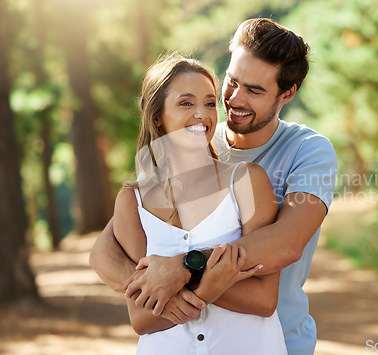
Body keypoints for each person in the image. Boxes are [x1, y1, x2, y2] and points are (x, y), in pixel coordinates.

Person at [90, 18, 337, 355]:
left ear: (287, 93)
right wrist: (146, 285)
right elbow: (106, 247)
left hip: (278, 338)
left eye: (255, 90)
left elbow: (286, 243)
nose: (233, 99)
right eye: (232, 81)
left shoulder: (308, 151)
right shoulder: (194, 144)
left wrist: (183, 268)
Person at [110, 53, 287, 354]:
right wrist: (210, 285)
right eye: (186, 103)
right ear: (157, 117)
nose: (202, 115)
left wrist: (178, 278)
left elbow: (264, 299)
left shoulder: (246, 181)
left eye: (209, 102)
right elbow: (141, 317)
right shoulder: (131, 201)